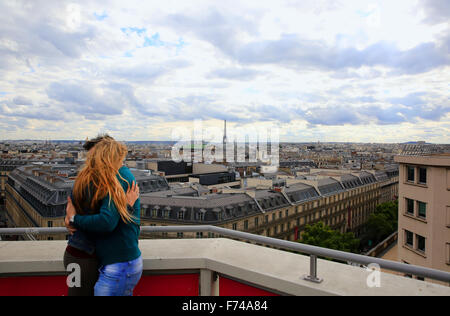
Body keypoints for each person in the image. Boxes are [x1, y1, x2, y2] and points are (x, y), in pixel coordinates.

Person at [64, 137, 142, 296]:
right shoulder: (104, 179)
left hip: (80, 253)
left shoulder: (102, 179)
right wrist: (72, 219)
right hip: (86, 255)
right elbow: (101, 218)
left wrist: (72, 219)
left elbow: (104, 219)